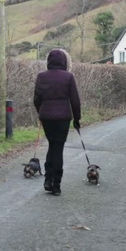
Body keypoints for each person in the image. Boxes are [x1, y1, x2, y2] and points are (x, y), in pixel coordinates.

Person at [33, 49, 81, 196]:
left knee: (51, 145)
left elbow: (36, 99)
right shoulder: (68, 77)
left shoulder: (41, 77)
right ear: (64, 62)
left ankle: (48, 180)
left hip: (47, 117)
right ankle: (56, 185)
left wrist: (41, 112)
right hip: (63, 118)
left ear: (49, 61)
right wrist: (77, 118)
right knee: (58, 149)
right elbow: (75, 100)